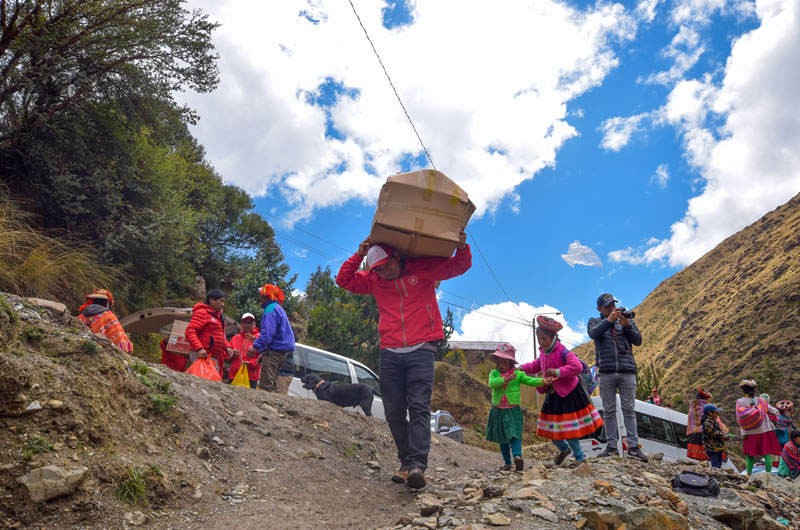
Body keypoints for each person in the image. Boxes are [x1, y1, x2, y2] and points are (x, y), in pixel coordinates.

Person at [336, 231, 471, 490]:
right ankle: (406, 463)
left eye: (387, 264)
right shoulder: (375, 280)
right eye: (378, 268)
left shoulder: (423, 270)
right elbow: (344, 280)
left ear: (397, 257)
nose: (384, 271)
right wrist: (359, 254)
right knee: (393, 412)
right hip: (390, 353)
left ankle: (418, 465)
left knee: (418, 407)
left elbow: (459, 265)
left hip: (422, 350)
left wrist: (463, 248)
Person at [520, 316, 604, 466]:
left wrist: (557, 372)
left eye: (544, 338)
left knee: (569, 429)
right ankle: (564, 450)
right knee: (551, 431)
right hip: (552, 394)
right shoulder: (543, 353)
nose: (541, 342)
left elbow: (577, 367)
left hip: (569, 394)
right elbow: (535, 366)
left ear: (553, 338)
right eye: (539, 338)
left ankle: (580, 458)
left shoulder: (563, 352)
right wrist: (520, 368)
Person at [587, 293, 648, 461]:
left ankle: (634, 448)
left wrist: (627, 325)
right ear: (599, 309)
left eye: (613, 305)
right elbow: (593, 334)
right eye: (607, 306)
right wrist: (609, 321)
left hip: (627, 371)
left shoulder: (626, 321)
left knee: (629, 409)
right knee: (609, 411)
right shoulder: (595, 321)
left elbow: (638, 340)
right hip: (606, 372)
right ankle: (612, 447)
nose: (612, 308)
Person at [486, 343, 553, 471]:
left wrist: (543, 381)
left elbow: (529, 380)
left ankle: (517, 457)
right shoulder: (494, 373)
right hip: (498, 411)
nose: (500, 364)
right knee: (502, 438)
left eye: (504, 361)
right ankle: (507, 463)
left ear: (511, 363)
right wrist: (506, 379)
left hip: (513, 410)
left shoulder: (517, 374)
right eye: (498, 361)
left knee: (515, 435)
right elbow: (493, 384)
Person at [246, 284, 295, 393]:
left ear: (265, 297)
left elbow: (267, 334)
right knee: (272, 385)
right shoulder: (279, 309)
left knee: (265, 386)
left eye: (261, 295)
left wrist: (255, 347)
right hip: (282, 353)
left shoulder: (270, 310)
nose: (259, 298)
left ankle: (267, 408)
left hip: (274, 353)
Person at [736, 379, 782, 475]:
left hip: (748, 433)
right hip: (764, 431)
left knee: (749, 455)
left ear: (743, 390)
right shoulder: (761, 401)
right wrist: (763, 412)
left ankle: (748, 474)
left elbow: (739, 418)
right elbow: (776, 412)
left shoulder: (740, 402)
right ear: (754, 389)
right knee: (767, 453)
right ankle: (768, 474)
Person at [184, 289, 233, 375]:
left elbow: (219, 335)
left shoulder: (219, 315)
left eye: (223, 302)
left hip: (211, 356)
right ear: (211, 300)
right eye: (221, 301)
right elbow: (190, 331)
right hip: (201, 355)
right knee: (204, 383)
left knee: (212, 383)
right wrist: (199, 349)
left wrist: (227, 347)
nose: (223, 304)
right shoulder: (202, 313)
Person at [77, 289, 133, 353]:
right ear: (107, 303)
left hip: (81, 350)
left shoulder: (81, 316)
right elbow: (122, 343)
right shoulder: (109, 316)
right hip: (102, 353)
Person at [228, 313, 261, 389]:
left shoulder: (259, 338)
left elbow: (262, 357)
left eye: (250, 322)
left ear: (254, 324)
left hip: (251, 377)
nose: (247, 325)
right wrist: (232, 353)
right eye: (245, 322)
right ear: (241, 324)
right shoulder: (235, 338)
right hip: (234, 375)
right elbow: (227, 357)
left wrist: (251, 363)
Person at [687, 388, 714, 461]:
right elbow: (715, 421)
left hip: (694, 434)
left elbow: (690, 420)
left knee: (698, 459)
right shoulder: (708, 407)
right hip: (705, 435)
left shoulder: (692, 406)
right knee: (706, 458)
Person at [702, 404, 727, 468]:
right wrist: (722, 435)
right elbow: (712, 432)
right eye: (716, 412)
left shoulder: (713, 421)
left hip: (717, 447)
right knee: (715, 465)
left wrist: (725, 436)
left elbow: (718, 432)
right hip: (712, 447)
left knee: (719, 464)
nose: (717, 414)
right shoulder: (707, 422)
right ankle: (714, 476)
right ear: (710, 413)